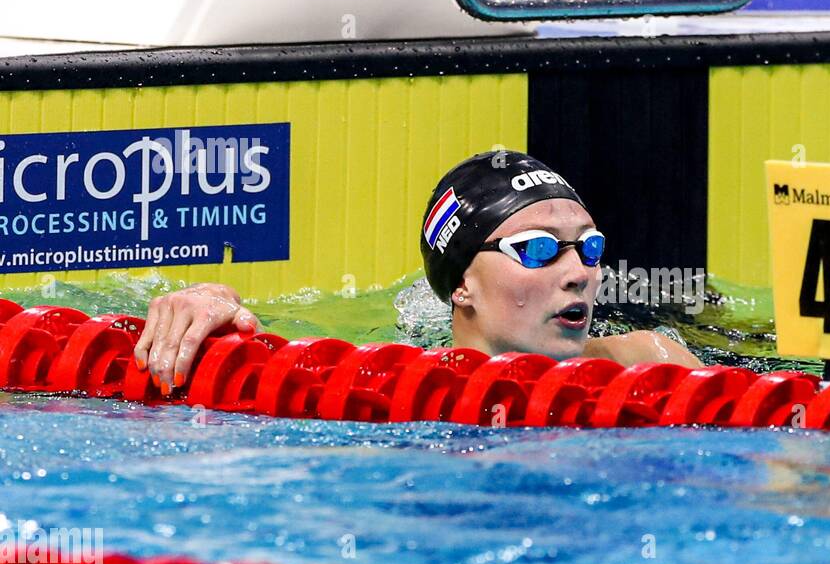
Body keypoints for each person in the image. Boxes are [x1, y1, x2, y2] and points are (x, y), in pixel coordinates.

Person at [134, 150, 702, 393]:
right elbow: (285, 345)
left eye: (590, 246)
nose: (578, 271)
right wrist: (210, 298)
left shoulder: (650, 359)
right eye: (535, 250)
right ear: (462, 287)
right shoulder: (396, 377)